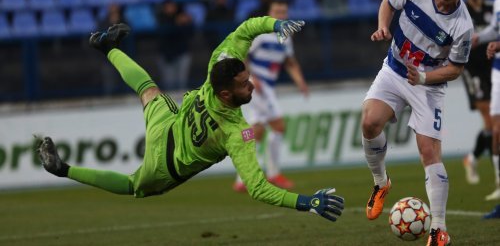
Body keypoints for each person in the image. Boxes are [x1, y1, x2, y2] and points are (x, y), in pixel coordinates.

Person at [37, 18, 345, 222]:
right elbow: (259, 189)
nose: (251, 85)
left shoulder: (219, 62)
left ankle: (107, 48)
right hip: (166, 163)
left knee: (147, 89)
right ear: (226, 95)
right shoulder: (236, 132)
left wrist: (274, 24)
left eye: (247, 78)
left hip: (169, 121)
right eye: (244, 84)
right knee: (133, 185)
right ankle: (62, 169)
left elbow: (245, 29)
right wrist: (307, 202)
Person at [362, 0, 472, 246]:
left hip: (428, 85)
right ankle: (381, 183)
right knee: (369, 123)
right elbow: (388, 2)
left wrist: (423, 78)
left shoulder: (463, 26)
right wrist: (384, 26)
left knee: (428, 151)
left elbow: (456, 69)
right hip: (394, 69)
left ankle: (438, 229)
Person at [233, 0, 308, 192]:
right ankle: (273, 174)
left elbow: (290, 62)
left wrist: (300, 82)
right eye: (277, 11)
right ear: (269, 13)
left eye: (284, 12)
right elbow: (243, 55)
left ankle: (242, 178)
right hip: (257, 85)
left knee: (256, 131)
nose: (281, 15)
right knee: (278, 126)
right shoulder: (261, 34)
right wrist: (248, 78)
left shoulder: (285, 36)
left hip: (267, 87)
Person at [461, 0, 494, 185]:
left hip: (495, 70)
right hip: (473, 71)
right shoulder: (460, 12)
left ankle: (472, 158)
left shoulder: (493, 9)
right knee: (491, 122)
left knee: (493, 126)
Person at [478, 0, 500, 201]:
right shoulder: (498, 3)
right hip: (498, 72)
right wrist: (478, 37)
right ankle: (499, 185)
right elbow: (495, 29)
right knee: (497, 132)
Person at [156, 0, 193, 91]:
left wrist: (188, 22)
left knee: (182, 84)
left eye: (172, 6)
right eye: (168, 6)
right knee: (169, 85)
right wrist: (176, 23)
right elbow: (163, 33)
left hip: (182, 53)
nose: (170, 8)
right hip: (166, 56)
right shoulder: (161, 18)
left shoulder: (182, 17)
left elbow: (191, 33)